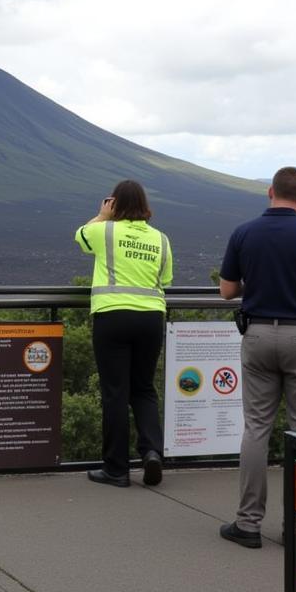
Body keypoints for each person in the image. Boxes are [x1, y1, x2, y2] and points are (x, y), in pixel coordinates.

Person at [218, 167, 296, 548]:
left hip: (257, 334)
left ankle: (248, 523)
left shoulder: (244, 232)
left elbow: (227, 291)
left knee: (256, 428)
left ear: (270, 192)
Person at [75, 180, 172, 488]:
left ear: (113, 203)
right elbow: (166, 278)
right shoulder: (161, 239)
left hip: (112, 317)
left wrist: (102, 215)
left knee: (115, 392)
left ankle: (116, 468)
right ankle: (152, 452)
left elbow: (80, 237)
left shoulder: (105, 231)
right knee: (143, 389)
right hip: (151, 319)